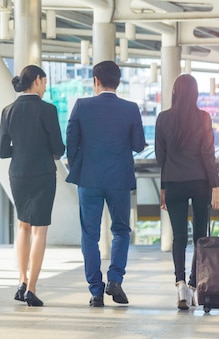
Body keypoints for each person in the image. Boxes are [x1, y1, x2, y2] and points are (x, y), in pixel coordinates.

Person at [65, 60, 146, 307]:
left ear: (96, 81)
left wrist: (81, 165)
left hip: (88, 179)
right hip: (119, 179)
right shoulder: (131, 109)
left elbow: (71, 142)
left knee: (90, 234)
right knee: (121, 230)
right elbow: (139, 145)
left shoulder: (81, 106)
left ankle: (96, 291)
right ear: (118, 82)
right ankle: (115, 278)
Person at [0, 64, 65, 307]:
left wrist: (23, 149)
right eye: (44, 83)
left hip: (18, 174)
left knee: (23, 226)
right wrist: (42, 149)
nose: (45, 88)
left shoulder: (8, 110)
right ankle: (33, 288)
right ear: (37, 80)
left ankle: (22, 280)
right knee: (40, 229)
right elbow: (58, 148)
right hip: (43, 174)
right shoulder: (47, 110)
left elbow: (3, 151)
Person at [155, 74, 219, 310]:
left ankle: (181, 285)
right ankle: (195, 286)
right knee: (200, 237)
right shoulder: (204, 118)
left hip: (173, 182)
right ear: (195, 93)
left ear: (174, 92)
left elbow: (160, 158)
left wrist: (163, 189)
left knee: (179, 237)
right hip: (200, 182)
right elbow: (208, 155)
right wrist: (216, 187)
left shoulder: (163, 119)